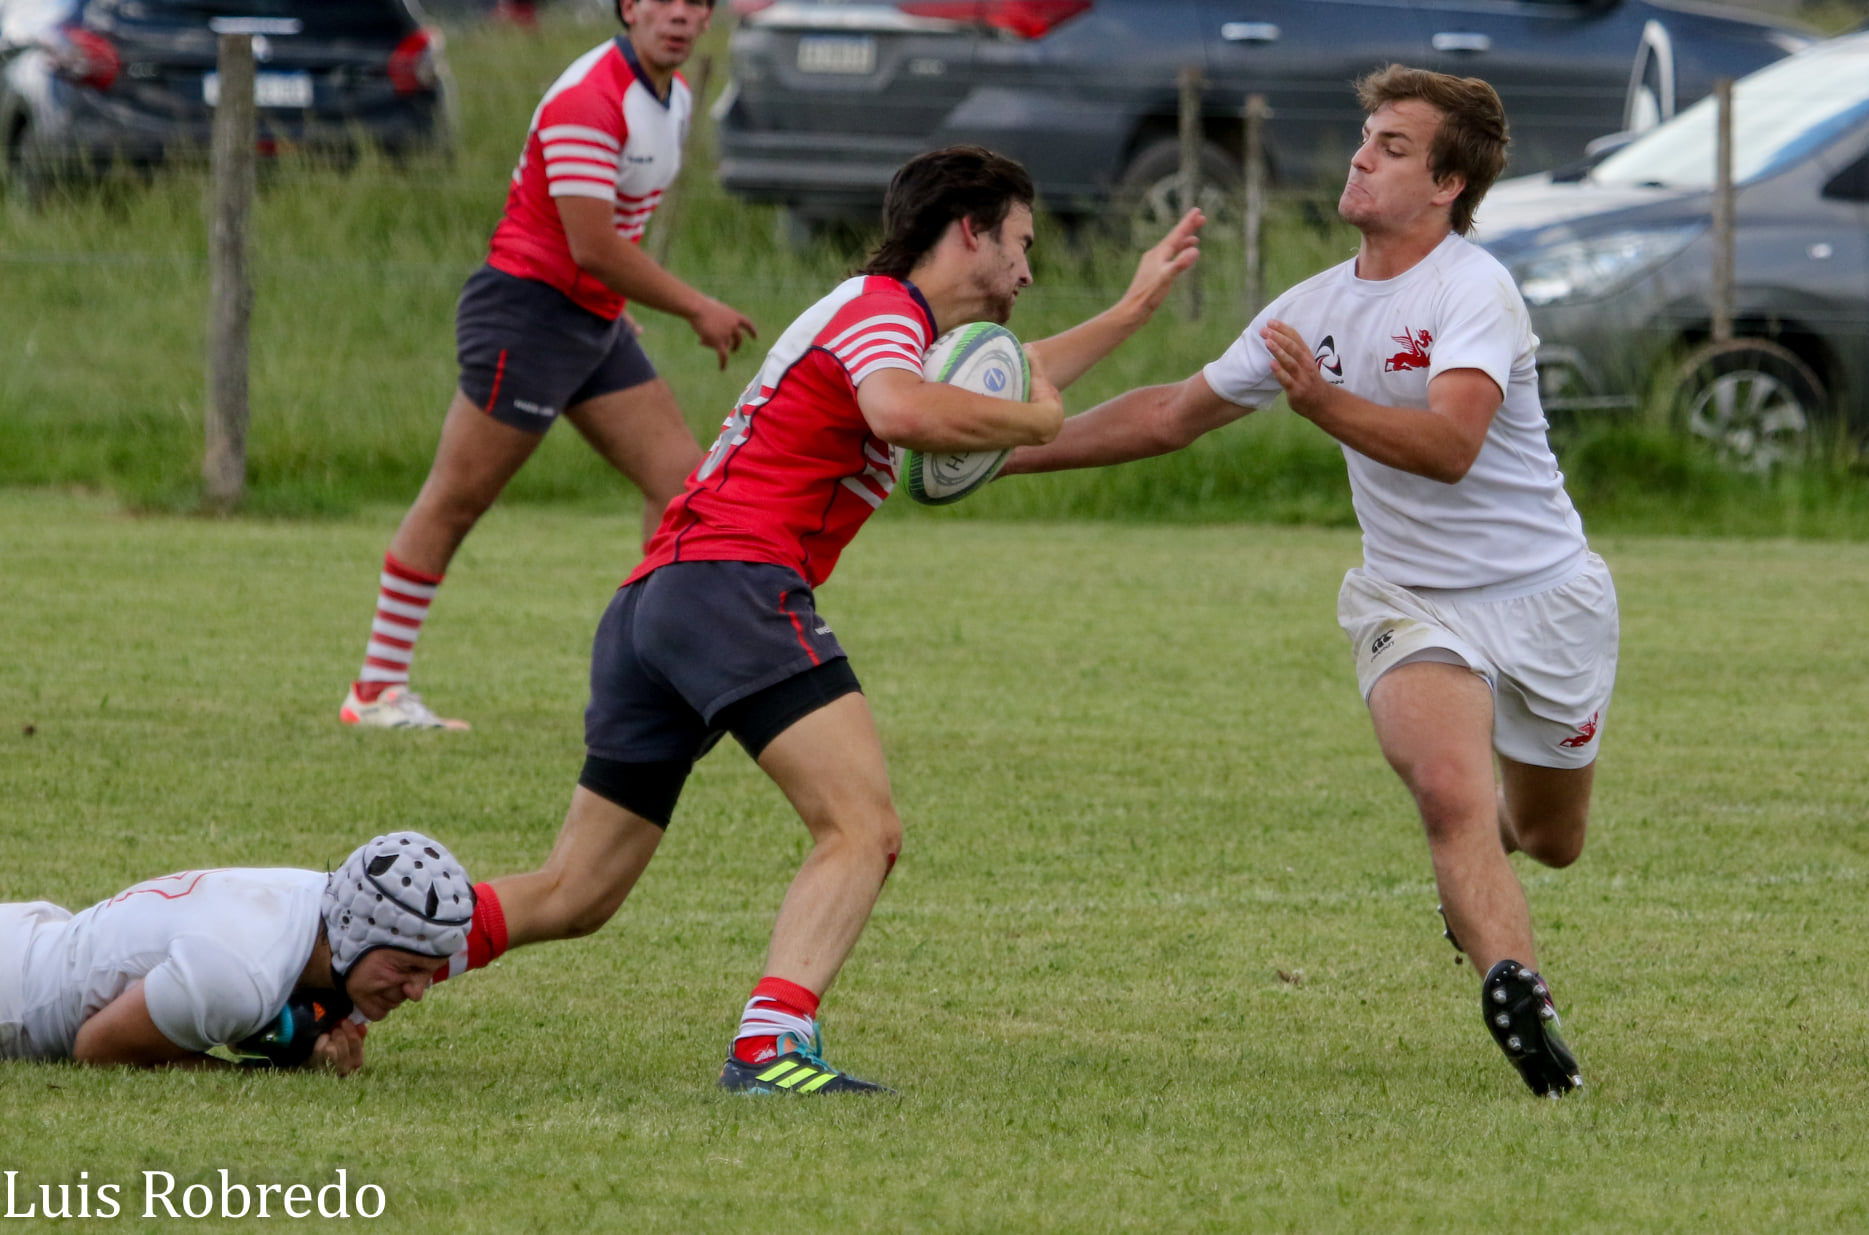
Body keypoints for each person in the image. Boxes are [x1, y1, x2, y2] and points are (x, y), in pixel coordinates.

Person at [416, 147, 1205, 1094]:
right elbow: (909, 412)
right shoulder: (882, 314)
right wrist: (1037, 422)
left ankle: (342, 968)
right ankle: (770, 1047)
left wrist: (1131, 311)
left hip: (659, 601)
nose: (1028, 272)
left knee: (576, 892)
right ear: (970, 232)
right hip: (733, 588)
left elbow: (1004, 377)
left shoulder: (886, 324)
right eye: (1022, 243)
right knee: (861, 827)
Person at [996, 67, 1616, 1098]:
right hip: (1409, 603)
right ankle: (1519, 991)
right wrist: (1003, 454)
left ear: (1447, 184)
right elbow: (1169, 414)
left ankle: (1481, 875)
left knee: (1550, 837)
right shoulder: (1311, 307)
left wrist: (1322, 404)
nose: (1360, 157)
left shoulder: (1472, 289)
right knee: (1448, 791)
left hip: (1547, 598)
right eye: (1365, 137)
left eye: (1392, 147)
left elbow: (1451, 445)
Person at [341, 0, 755, 731]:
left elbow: (613, 237)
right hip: (526, 316)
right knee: (457, 497)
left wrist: (615, 308)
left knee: (680, 486)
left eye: (696, 2)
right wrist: (696, 306)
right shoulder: (587, 98)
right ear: (629, 7)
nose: (680, 14)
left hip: (591, 320)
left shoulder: (678, 97)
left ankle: (659, 679)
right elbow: (591, 244)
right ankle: (375, 691)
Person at [0, 832, 473, 1074]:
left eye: (429, 972)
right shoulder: (242, 974)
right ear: (352, 932)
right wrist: (263, 1078)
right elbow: (97, 1051)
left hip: (28, 940)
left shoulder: (322, 899)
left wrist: (294, 1045)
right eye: (406, 968)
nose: (418, 992)